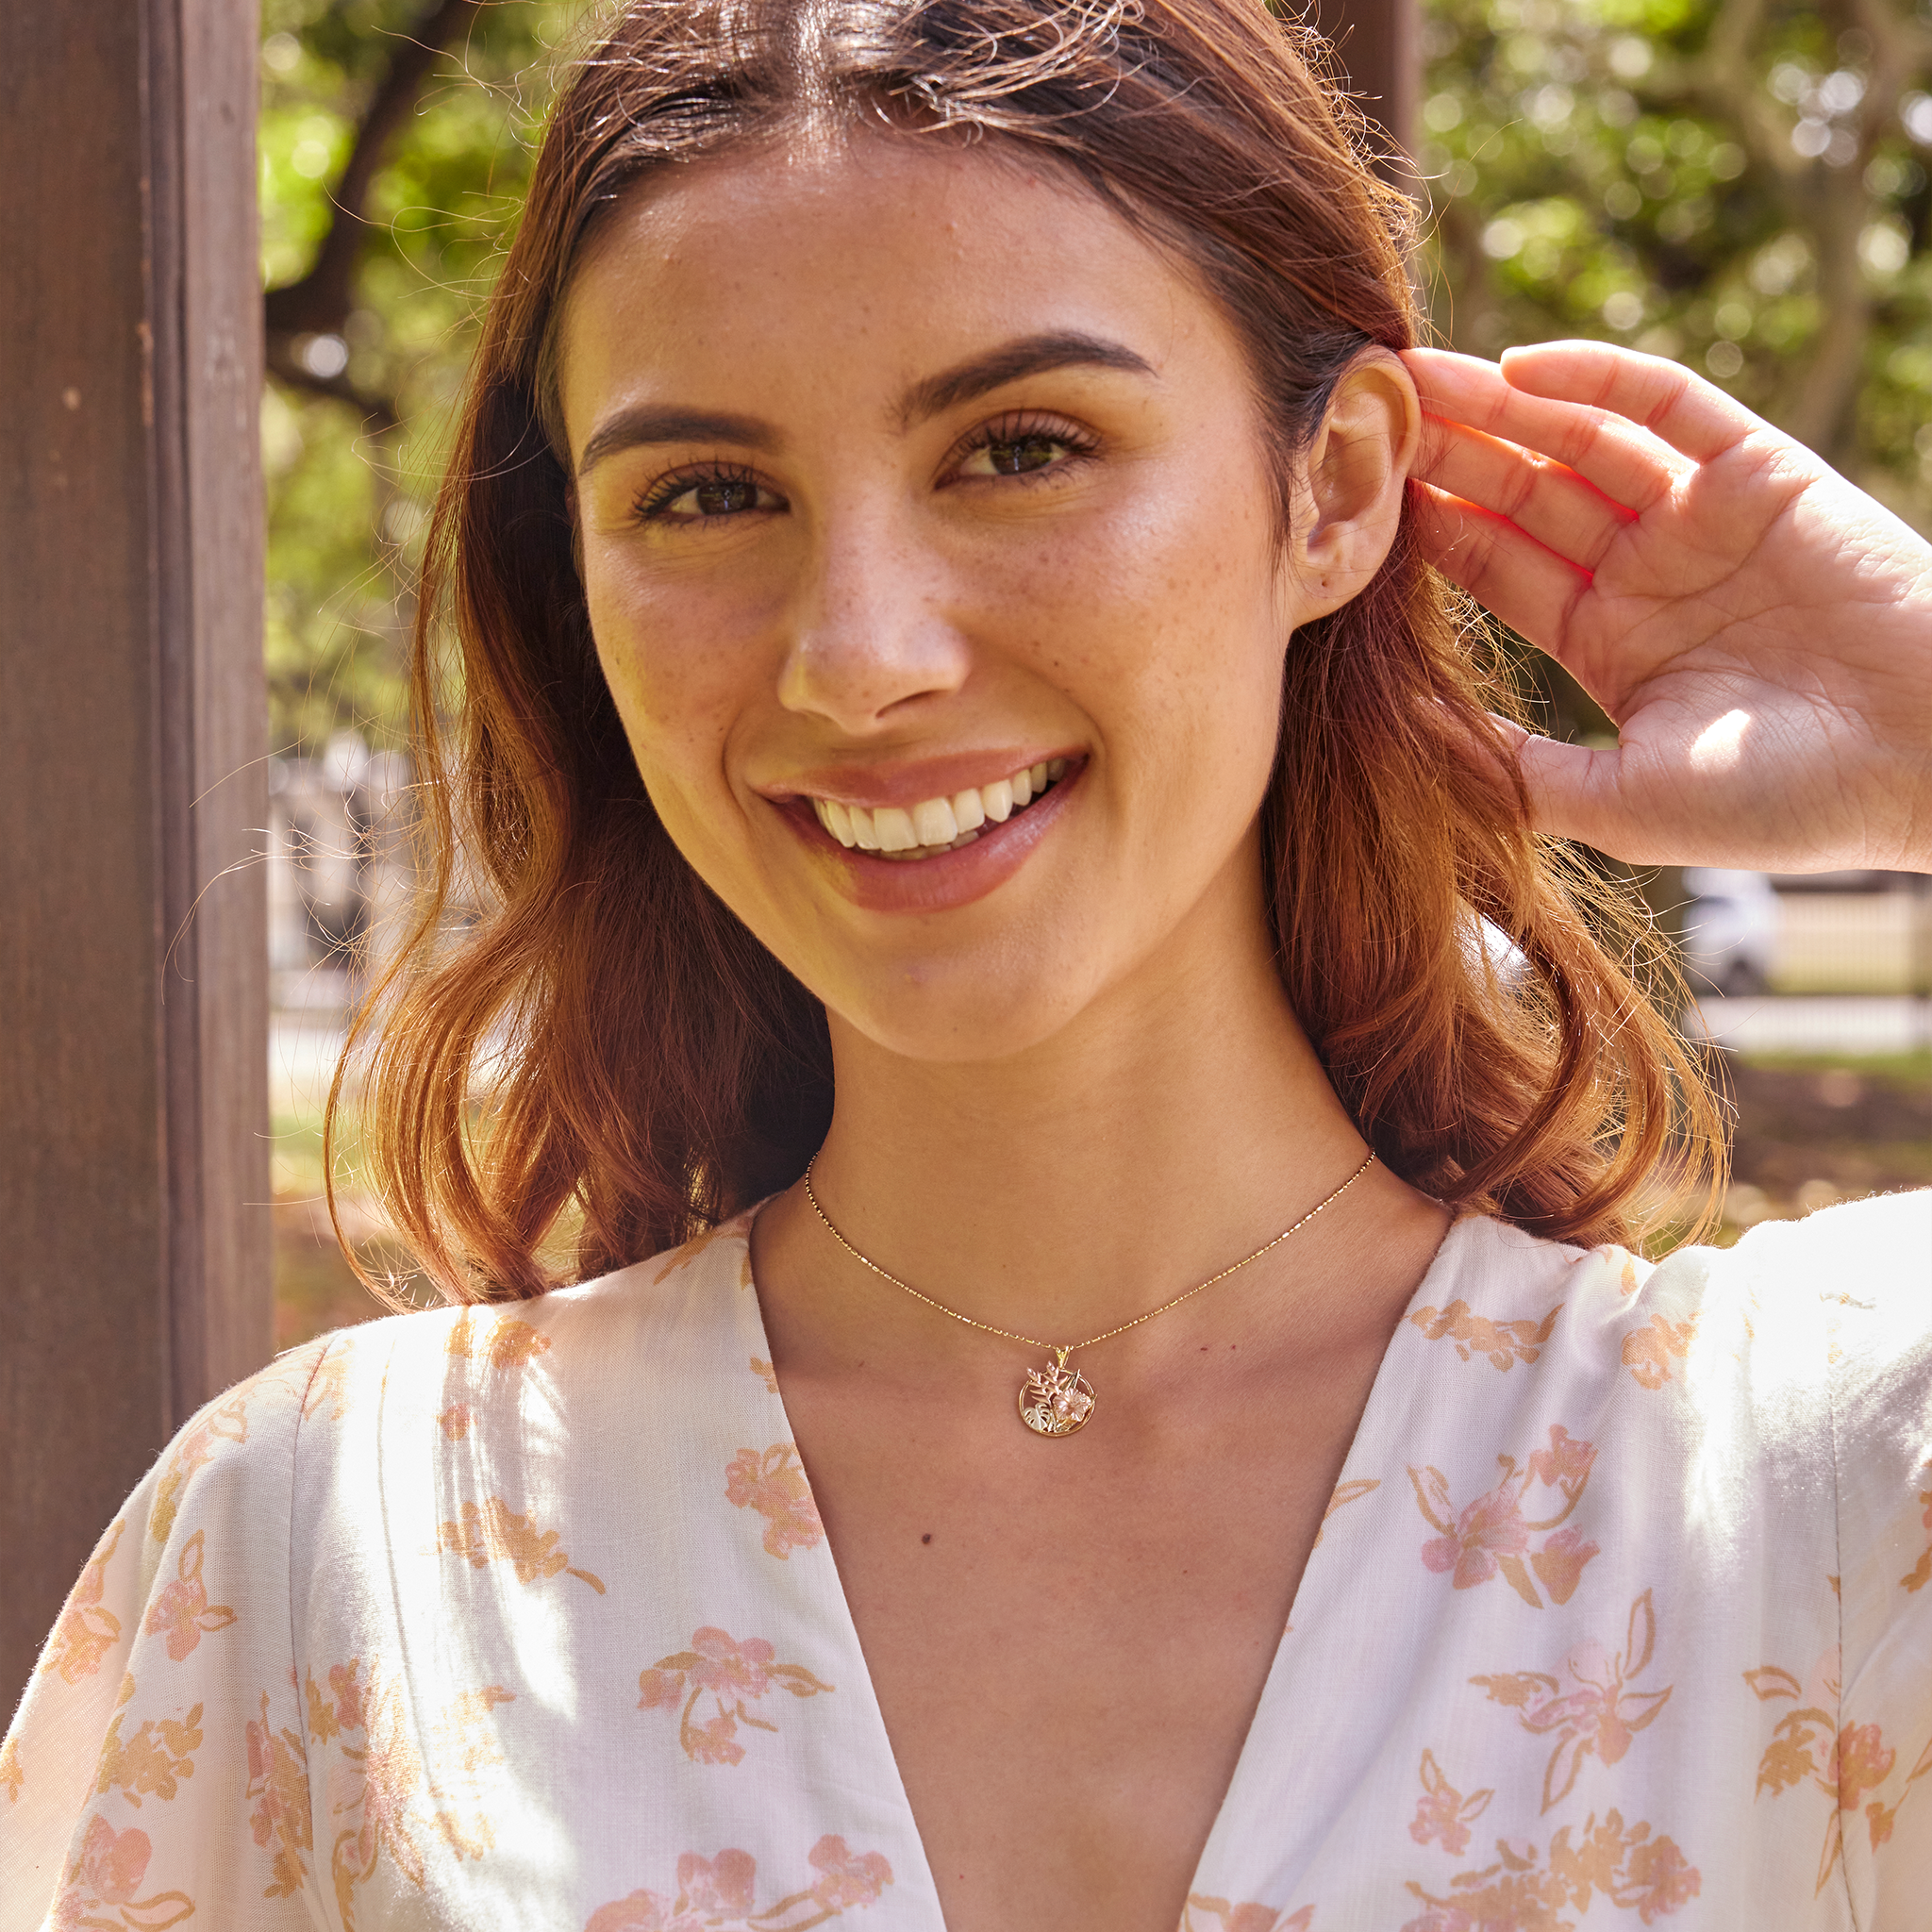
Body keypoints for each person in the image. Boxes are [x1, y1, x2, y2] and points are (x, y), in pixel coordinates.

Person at [4, 0, 1930, 1926]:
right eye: (706, 494)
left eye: (1019, 446)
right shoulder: (327, 1559)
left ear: (1332, 488)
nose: (859, 653)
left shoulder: (1824, 1489)